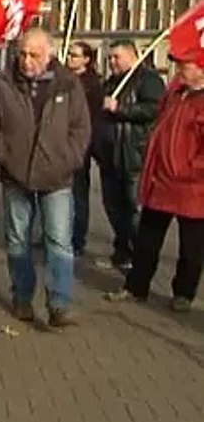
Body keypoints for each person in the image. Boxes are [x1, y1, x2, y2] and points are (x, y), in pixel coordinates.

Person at [0, 28, 90, 329]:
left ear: (49, 54)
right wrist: (1, 154)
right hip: (17, 174)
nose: (27, 60)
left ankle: (59, 304)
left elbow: (81, 128)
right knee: (17, 240)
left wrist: (70, 158)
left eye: (34, 55)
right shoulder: (2, 84)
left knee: (59, 241)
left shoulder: (69, 84)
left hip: (57, 175)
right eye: (22, 53)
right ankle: (22, 297)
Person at [105, 49, 204, 310]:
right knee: (147, 239)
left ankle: (183, 293)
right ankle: (136, 287)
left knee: (192, 247)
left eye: (185, 64)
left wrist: (191, 169)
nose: (179, 68)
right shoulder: (174, 92)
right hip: (160, 180)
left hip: (192, 187)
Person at [94, 40, 165, 271]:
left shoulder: (149, 80)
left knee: (134, 211)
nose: (112, 62)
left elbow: (155, 109)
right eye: (110, 58)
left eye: (117, 57)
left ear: (133, 56)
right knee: (113, 207)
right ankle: (121, 251)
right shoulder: (110, 83)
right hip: (109, 156)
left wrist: (120, 110)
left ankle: (140, 259)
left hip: (134, 155)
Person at [65, 41, 103, 255]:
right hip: (57, 143)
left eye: (75, 55)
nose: (71, 58)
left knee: (78, 193)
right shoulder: (63, 78)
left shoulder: (91, 85)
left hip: (79, 145)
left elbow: (90, 117)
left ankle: (78, 239)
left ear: (86, 60)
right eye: (69, 54)